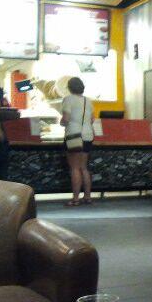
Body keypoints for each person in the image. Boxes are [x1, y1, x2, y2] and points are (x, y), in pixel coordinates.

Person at [60, 77, 94, 206]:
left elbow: (66, 118)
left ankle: (75, 199)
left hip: (74, 135)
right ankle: (87, 196)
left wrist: (62, 122)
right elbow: (92, 119)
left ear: (69, 88)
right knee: (83, 167)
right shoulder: (88, 101)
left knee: (74, 168)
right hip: (88, 135)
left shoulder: (68, 99)